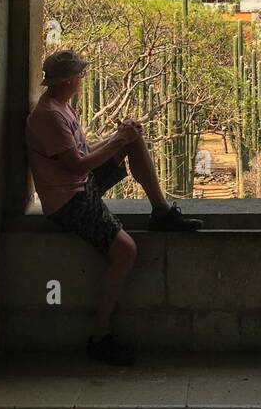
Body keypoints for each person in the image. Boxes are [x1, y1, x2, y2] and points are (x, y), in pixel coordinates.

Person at [26, 48, 202, 366]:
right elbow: (78, 166)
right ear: (67, 80)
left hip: (80, 187)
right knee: (125, 251)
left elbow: (83, 153)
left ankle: (161, 212)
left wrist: (120, 138)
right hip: (70, 201)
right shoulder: (49, 116)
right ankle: (100, 335)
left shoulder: (62, 107)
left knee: (131, 139)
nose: (82, 77)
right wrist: (116, 141)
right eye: (78, 73)